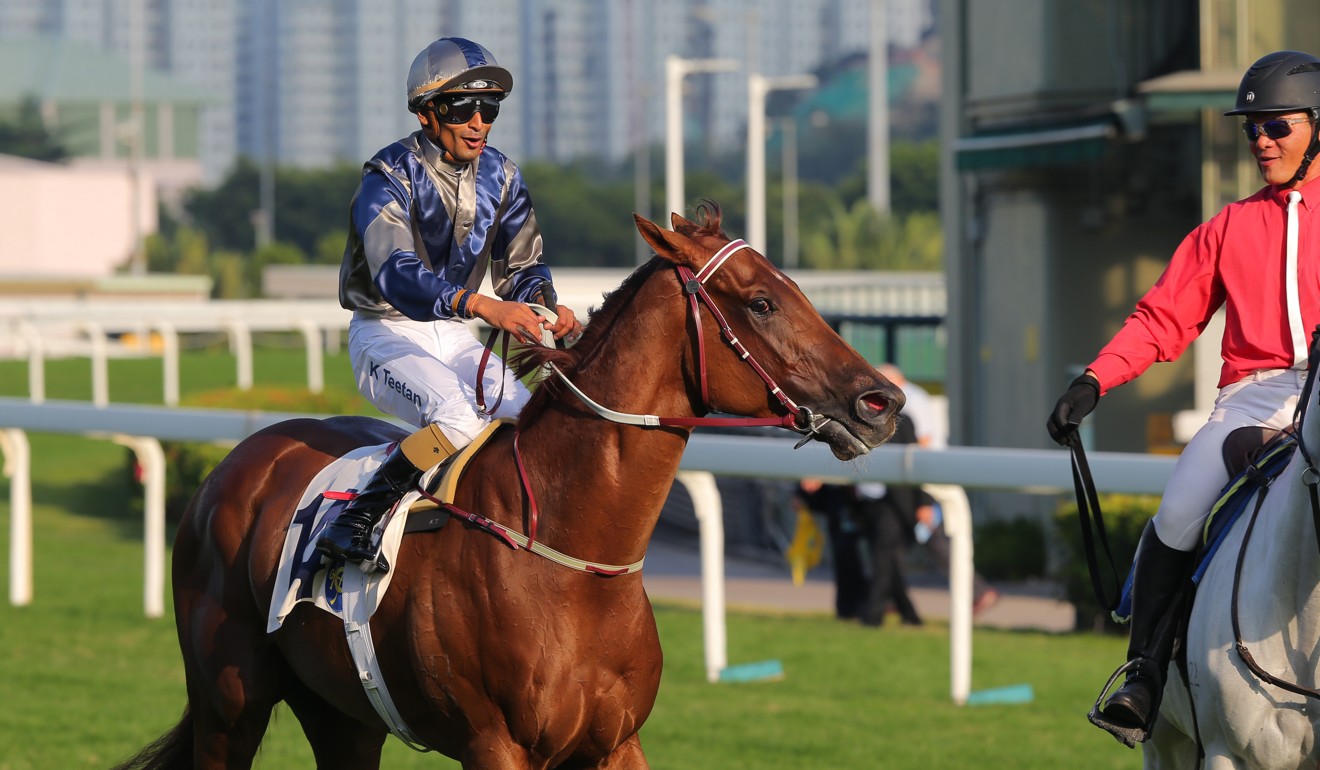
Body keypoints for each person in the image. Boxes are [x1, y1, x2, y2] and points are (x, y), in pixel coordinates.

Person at [1047, 50, 1320, 745]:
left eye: (1277, 126)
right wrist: (1095, 380)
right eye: (1252, 128)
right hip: (1254, 401)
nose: (1261, 140)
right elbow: (1162, 319)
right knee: (1177, 512)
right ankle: (1142, 673)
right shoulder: (1228, 227)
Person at [317, 37, 583, 569]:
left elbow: (523, 268)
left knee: (528, 422)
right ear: (427, 110)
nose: (479, 121)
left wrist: (547, 306)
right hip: (386, 333)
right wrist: (483, 306)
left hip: (454, 335)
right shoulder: (387, 176)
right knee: (458, 418)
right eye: (465, 107)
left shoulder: (502, 176)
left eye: (490, 108)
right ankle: (356, 518)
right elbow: (396, 274)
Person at [876, 363, 999, 615]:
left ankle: (977, 590)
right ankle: (891, 597)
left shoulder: (909, 399)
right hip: (915, 478)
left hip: (923, 480)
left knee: (933, 540)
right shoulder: (911, 396)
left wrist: (921, 499)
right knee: (901, 539)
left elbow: (922, 442)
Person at [854, 414, 927, 627]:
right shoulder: (853, 417)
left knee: (882, 556)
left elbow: (915, 463)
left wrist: (924, 502)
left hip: (893, 502)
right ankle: (909, 614)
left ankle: (874, 615)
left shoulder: (902, 421)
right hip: (865, 501)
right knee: (888, 560)